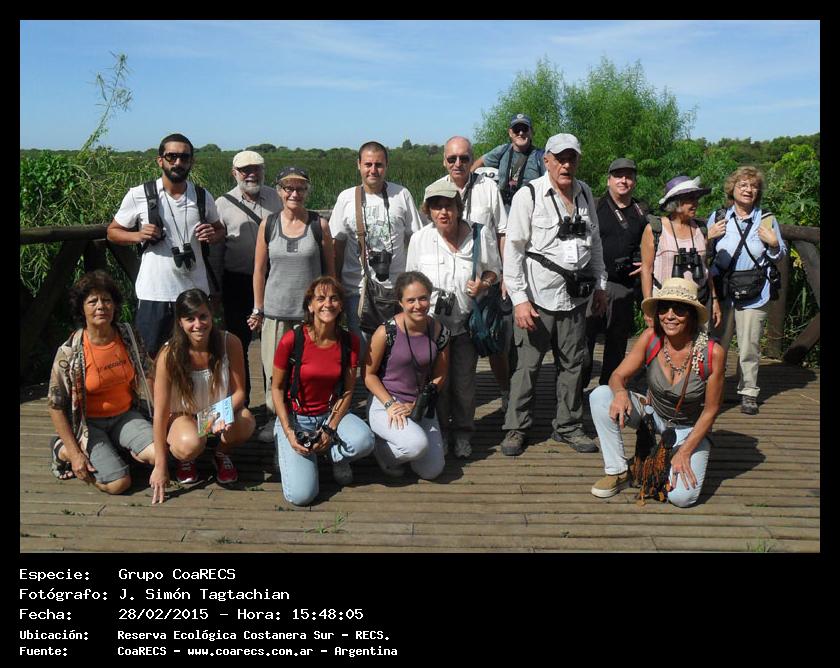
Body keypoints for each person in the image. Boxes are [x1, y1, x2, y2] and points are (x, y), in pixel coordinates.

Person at [501, 133, 608, 456]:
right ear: (546, 160)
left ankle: (568, 426)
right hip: (536, 299)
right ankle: (517, 428)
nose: (566, 164)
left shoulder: (585, 193)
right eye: (559, 158)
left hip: (575, 299)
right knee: (526, 367)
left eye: (571, 158)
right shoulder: (529, 195)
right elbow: (514, 250)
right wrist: (519, 300)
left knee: (574, 365)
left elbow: (595, 243)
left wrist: (600, 286)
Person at [588, 278, 724, 507]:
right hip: (653, 416)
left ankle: (669, 458)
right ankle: (618, 471)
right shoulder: (651, 338)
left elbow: (711, 410)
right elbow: (617, 376)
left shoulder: (712, 353)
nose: (670, 316)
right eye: (664, 309)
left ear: (692, 315)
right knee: (601, 396)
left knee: (681, 498)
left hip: (689, 428)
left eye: (679, 309)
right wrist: (620, 393)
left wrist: (685, 451)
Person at [107, 133, 224, 358]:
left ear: (191, 161)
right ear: (160, 160)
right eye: (171, 156)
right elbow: (112, 232)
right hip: (154, 293)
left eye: (184, 157)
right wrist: (138, 235)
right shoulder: (139, 194)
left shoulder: (202, 196)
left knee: (196, 359)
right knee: (151, 359)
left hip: (194, 294)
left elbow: (220, 230)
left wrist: (213, 234)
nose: (178, 162)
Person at [406, 181, 501, 458]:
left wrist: (483, 284)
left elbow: (494, 270)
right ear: (428, 211)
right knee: (438, 383)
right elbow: (410, 282)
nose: (443, 212)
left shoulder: (480, 234)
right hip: (432, 327)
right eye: (436, 207)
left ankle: (463, 433)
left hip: (466, 325)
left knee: (463, 384)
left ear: (458, 208)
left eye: (448, 206)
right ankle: (441, 432)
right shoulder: (420, 239)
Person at [47, 271, 156, 495]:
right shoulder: (69, 352)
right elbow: (55, 405)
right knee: (119, 484)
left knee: (159, 453)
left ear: (114, 305)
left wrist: (162, 416)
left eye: (106, 300)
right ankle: (61, 449)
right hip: (89, 425)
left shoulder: (128, 336)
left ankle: (116, 447)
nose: (101, 306)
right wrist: (74, 453)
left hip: (126, 415)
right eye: (92, 301)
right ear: (82, 308)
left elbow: (150, 373)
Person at [271, 277, 374, 505]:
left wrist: (329, 428)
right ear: (310, 305)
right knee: (301, 496)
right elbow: (276, 388)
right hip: (297, 417)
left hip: (330, 413)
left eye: (334, 298)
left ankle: (334, 455)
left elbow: (348, 391)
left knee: (364, 441)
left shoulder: (350, 342)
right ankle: (287, 444)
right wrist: (289, 431)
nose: (328, 304)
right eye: (320, 298)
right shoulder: (293, 339)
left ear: (341, 305)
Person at [250, 166, 335, 443]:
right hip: (275, 313)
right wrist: (258, 308)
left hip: (310, 317)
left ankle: (308, 419)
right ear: (279, 191)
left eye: (300, 188)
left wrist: (329, 309)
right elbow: (259, 271)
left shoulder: (319, 225)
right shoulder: (268, 224)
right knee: (275, 371)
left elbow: (329, 272)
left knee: (308, 372)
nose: (294, 193)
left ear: (307, 191)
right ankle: (276, 420)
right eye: (288, 188)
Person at [430, 136, 513, 412]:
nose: (458, 163)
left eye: (464, 158)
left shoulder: (488, 187)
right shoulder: (437, 190)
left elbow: (502, 231)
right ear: (444, 161)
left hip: (486, 278)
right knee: (452, 347)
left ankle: (505, 392)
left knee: (493, 341)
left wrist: (504, 275)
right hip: (452, 285)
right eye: (452, 158)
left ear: (472, 159)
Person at [150, 289, 256, 503]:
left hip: (217, 409)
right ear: (180, 323)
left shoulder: (230, 342)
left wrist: (214, 416)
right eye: (190, 319)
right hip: (182, 415)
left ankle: (221, 453)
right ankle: (186, 458)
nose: (198, 324)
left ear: (211, 315)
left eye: (203, 316)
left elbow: (240, 393)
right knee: (190, 444)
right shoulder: (168, 355)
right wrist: (160, 466)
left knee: (246, 422)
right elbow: (160, 413)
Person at [707, 166, 787, 415]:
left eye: (753, 186)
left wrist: (774, 244)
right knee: (716, 344)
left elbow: (779, 254)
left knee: (749, 345)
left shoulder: (767, 219)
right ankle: (715, 390)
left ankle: (748, 393)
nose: (748, 190)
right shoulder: (719, 216)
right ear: (732, 189)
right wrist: (707, 236)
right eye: (743, 185)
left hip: (755, 291)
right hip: (722, 290)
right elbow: (702, 252)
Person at [330, 141, 424, 352]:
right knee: (366, 354)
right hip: (358, 290)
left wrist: (415, 283)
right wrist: (336, 284)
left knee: (397, 352)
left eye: (379, 165)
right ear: (359, 165)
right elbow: (337, 244)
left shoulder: (401, 195)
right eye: (368, 164)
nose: (373, 170)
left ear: (386, 166)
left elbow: (416, 239)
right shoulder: (346, 198)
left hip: (396, 290)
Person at [211, 150, 282, 408]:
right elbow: (216, 251)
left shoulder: (278, 198)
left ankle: (274, 403)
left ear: (264, 170)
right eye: (244, 170)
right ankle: (243, 403)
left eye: (256, 169)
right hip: (237, 283)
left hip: (273, 281)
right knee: (237, 344)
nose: (251, 174)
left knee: (273, 344)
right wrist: (215, 289)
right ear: (234, 173)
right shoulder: (221, 204)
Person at [363, 271, 450, 480]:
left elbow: (441, 374)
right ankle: (381, 452)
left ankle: (405, 441)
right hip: (387, 402)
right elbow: (368, 375)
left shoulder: (440, 332)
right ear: (400, 302)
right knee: (416, 446)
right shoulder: (386, 332)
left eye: (423, 298)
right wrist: (390, 404)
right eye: (411, 300)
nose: (418, 305)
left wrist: (419, 402)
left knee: (432, 470)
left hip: (420, 403)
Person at [583, 158, 648, 389]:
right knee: (584, 340)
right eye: (618, 176)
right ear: (608, 180)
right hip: (593, 284)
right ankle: (578, 390)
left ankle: (608, 389)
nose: (623, 180)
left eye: (629, 176)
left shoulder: (642, 210)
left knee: (617, 342)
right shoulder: (595, 206)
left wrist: (646, 262)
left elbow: (652, 243)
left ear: (635, 181)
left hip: (624, 286)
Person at [640, 175, 721, 329]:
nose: (695, 203)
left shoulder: (701, 229)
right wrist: (648, 308)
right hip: (665, 305)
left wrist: (715, 300)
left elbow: (705, 268)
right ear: (675, 203)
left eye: (696, 198)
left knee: (699, 343)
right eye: (690, 199)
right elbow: (646, 269)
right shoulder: (655, 229)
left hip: (698, 301)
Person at [472, 113, 546, 211]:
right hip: (504, 208)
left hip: (530, 209)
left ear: (531, 132)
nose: (520, 133)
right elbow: (481, 161)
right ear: (510, 133)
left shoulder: (540, 156)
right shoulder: (502, 150)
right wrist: (468, 182)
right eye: (516, 129)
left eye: (524, 129)